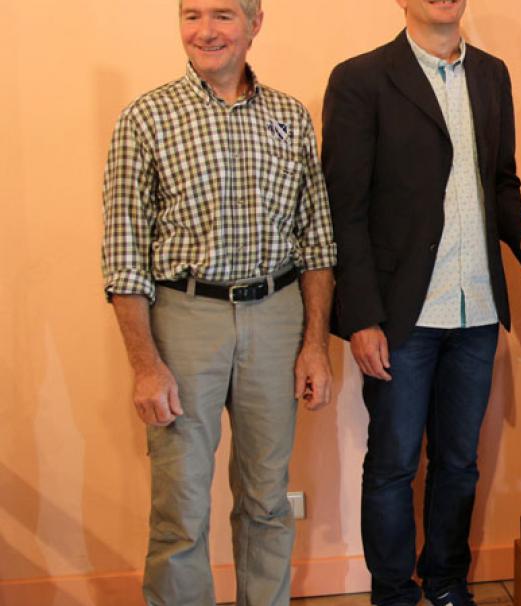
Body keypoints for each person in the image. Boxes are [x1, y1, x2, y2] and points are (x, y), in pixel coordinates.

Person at [320, 1, 521, 604]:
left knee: (459, 464)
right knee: (393, 467)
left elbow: (501, 180)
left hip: (477, 309)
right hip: (403, 316)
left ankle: (446, 583)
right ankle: (393, 592)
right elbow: (344, 210)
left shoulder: (492, 74)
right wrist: (360, 317)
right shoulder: (360, 79)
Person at [100, 0, 337, 604]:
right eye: (192, 15)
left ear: (256, 24)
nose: (206, 31)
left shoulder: (290, 117)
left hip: (277, 314)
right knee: (180, 504)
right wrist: (146, 365)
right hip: (184, 321)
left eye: (224, 15)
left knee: (266, 498)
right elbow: (124, 255)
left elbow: (316, 240)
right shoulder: (145, 118)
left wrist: (314, 346)